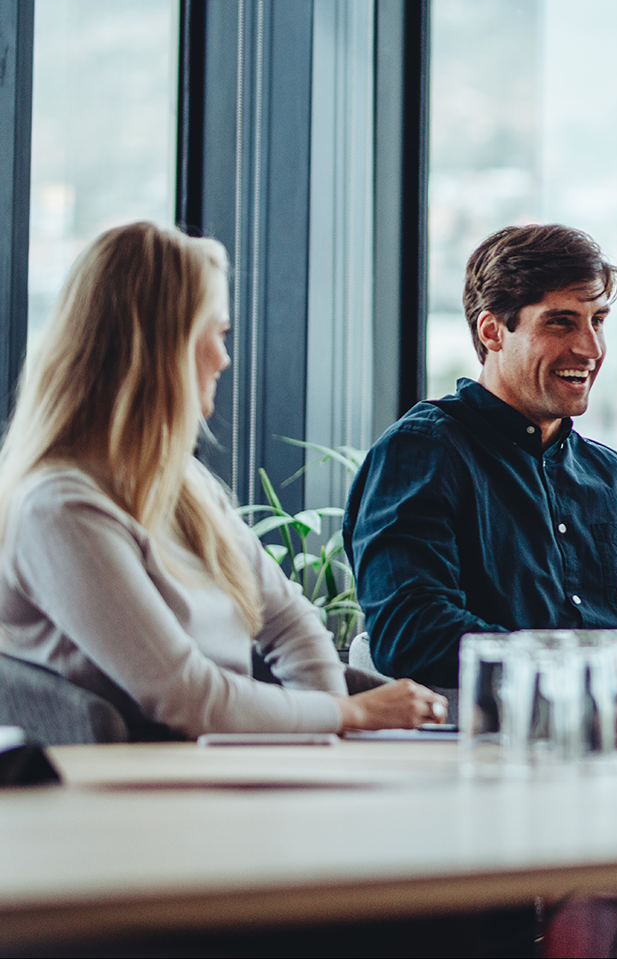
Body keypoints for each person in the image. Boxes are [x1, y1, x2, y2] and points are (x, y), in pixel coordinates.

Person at [0, 222, 443, 737]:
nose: (225, 357)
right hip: (133, 793)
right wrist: (350, 713)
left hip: (215, 766)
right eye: (218, 333)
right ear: (165, 347)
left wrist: (327, 733)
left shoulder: (181, 482)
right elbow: (186, 697)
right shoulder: (61, 510)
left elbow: (288, 621)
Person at [346, 224, 617, 722]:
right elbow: (412, 631)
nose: (591, 349)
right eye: (561, 323)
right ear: (493, 331)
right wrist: (592, 671)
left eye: (598, 321)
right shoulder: (422, 453)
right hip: (478, 765)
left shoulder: (615, 479)